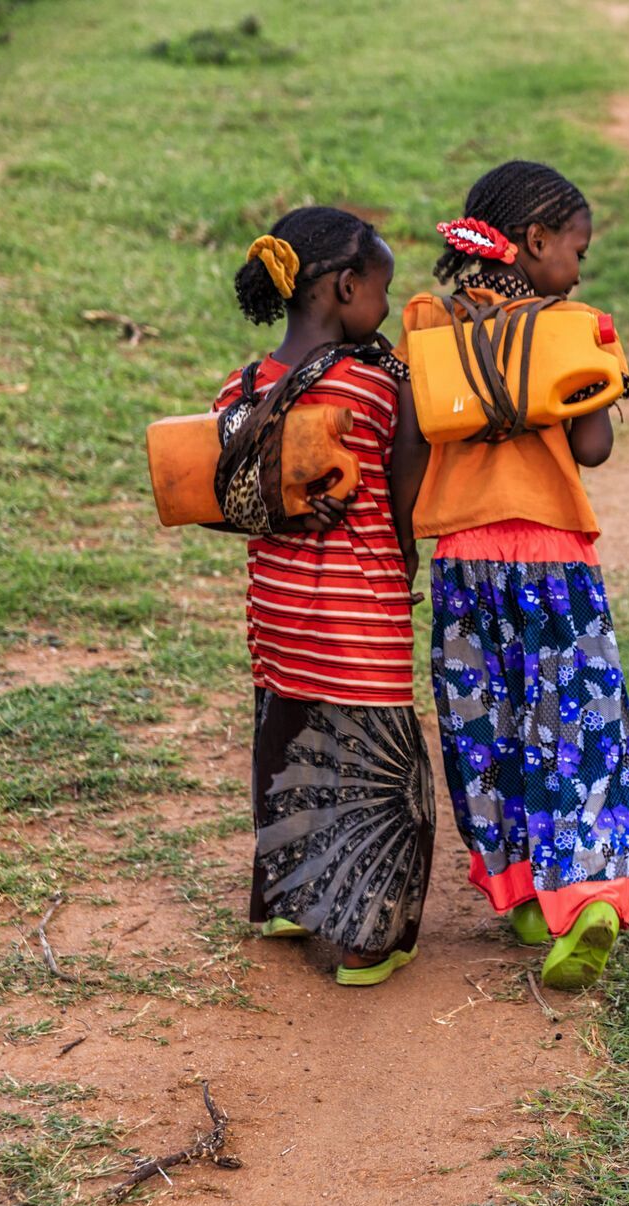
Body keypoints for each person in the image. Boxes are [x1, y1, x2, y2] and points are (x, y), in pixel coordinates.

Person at [392, 161, 629, 991]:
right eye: (577, 248)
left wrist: (401, 550)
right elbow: (593, 449)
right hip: (554, 561)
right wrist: (593, 361)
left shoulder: (431, 320)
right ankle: (592, 892)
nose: (581, 267)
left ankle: (524, 892)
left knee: (489, 726)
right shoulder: (567, 323)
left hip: (464, 563)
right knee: (575, 724)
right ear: (535, 243)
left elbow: (410, 449)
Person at [215, 206, 434, 987]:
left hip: (277, 617)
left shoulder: (240, 391)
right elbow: (408, 497)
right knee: (377, 771)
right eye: (381, 290)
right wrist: (407, 557)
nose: (384, 306)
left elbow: (219, 498)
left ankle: (288, 898)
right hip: (360, 615)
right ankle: (372, 937)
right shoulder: (378, 388)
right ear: (345, 287)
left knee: (289, 749)